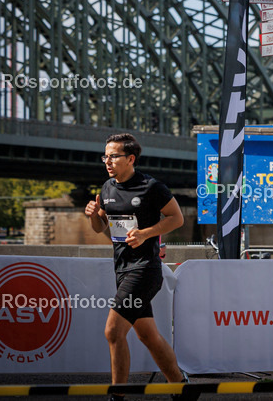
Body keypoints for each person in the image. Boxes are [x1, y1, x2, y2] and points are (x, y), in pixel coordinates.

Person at [84, 133, 186, 397]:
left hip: (144, 269)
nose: (107, 161)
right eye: (105, 156)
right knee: (147, 336)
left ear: (130, 159)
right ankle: (180, 385)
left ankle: (117, 395)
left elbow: (177, 218)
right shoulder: (107, 187)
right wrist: (93, 216)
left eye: (113, 156)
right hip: (122, 268)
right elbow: (100, 227)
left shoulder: (151, 187)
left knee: (113, 331)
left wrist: (145, 234)